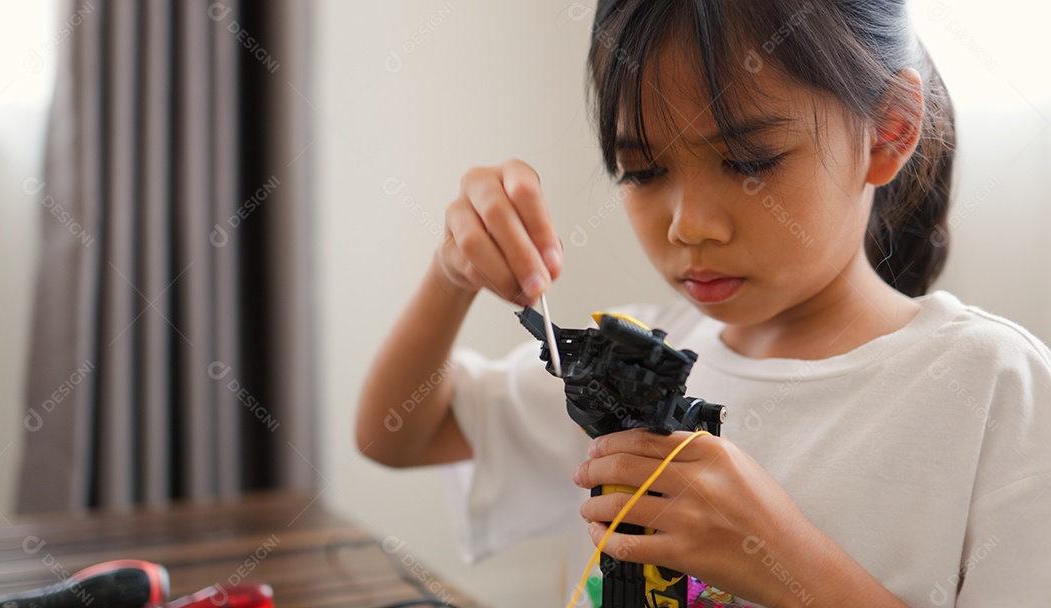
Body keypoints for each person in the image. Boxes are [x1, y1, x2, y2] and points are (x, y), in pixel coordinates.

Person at [356, 1, 1051, 606]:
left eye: (748, 163)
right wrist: (454, 274)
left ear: (890, 129)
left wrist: (783, 562)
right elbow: (398, 432)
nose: (688, 225)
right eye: (644, 170)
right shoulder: (632, 367)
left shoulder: (993, 387)